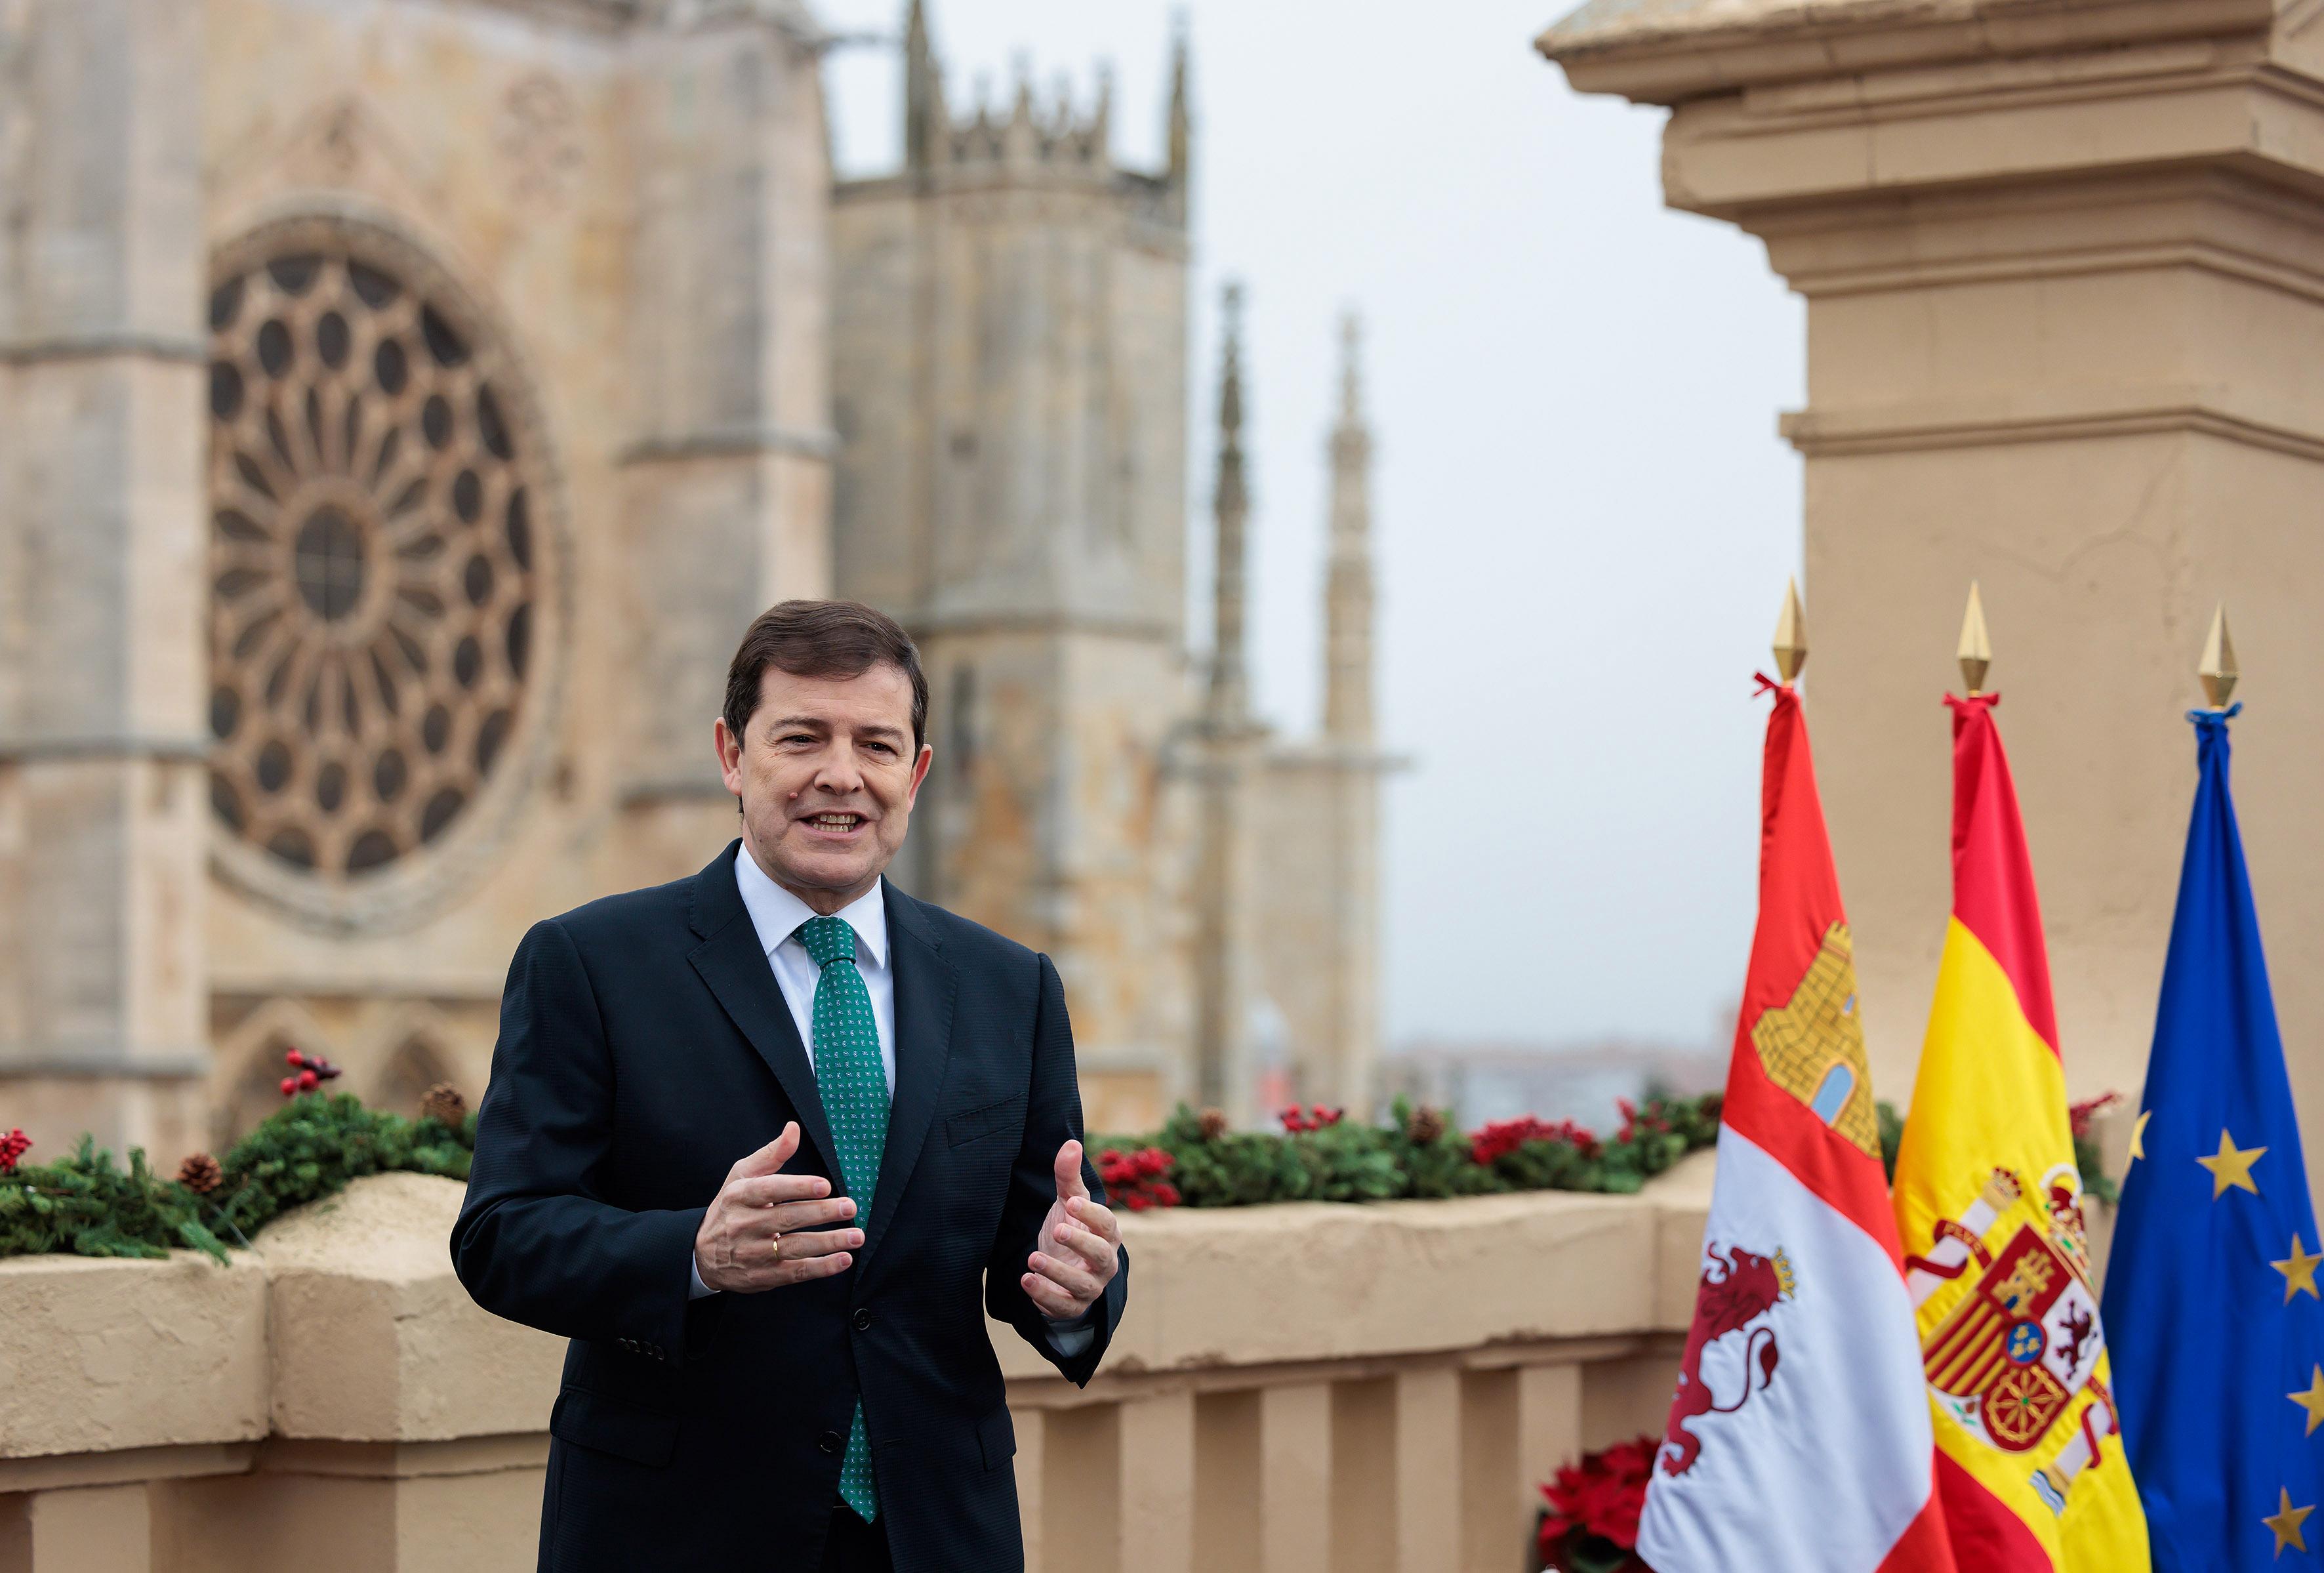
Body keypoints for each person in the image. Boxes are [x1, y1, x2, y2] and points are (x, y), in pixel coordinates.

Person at [451, 600, 1129, 1572]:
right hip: (677, 1533)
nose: (840, 775)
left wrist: (1077, 1287)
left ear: (917, 773)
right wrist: (694, 1251)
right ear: (733, 754)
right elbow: (500, 1235)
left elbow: (1043, 1241)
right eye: (801, 737)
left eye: (876, 745)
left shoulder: (1009, 988)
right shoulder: (589, 963)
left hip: (936, 1532)